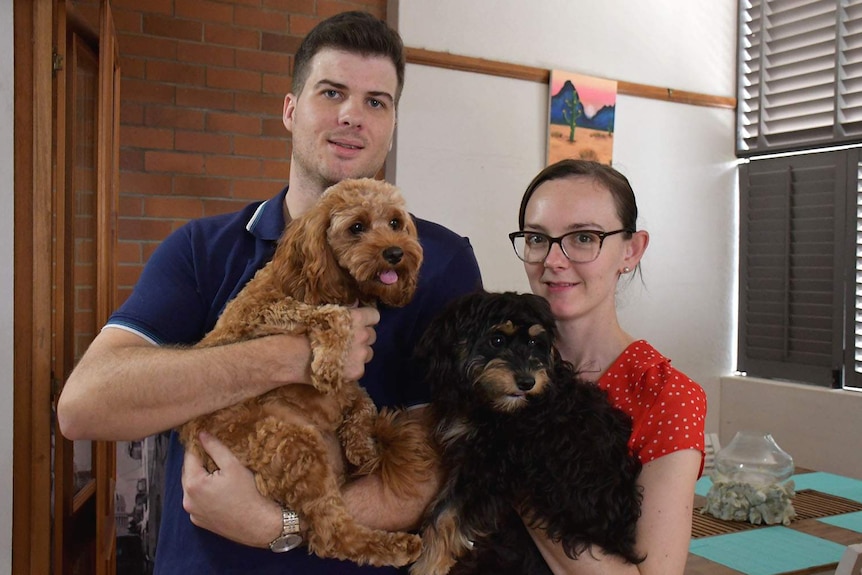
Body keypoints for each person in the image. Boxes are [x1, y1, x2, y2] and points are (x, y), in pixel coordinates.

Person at [57, 11, 482, 574]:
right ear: (290, 109)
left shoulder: (442, 261)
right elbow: (85, 406)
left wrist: (277, 527)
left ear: (392, 122)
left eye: (377, 101)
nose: (353, 115)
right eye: (332, 93)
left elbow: (434, 469)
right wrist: (288, 357)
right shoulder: (202, 249)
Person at [508, 159, 706, 574]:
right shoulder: (497, 362)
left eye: (583, 238)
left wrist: (504, 470)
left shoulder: (666, 396)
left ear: (631, 250)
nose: (554, 260)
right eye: (537, 238)